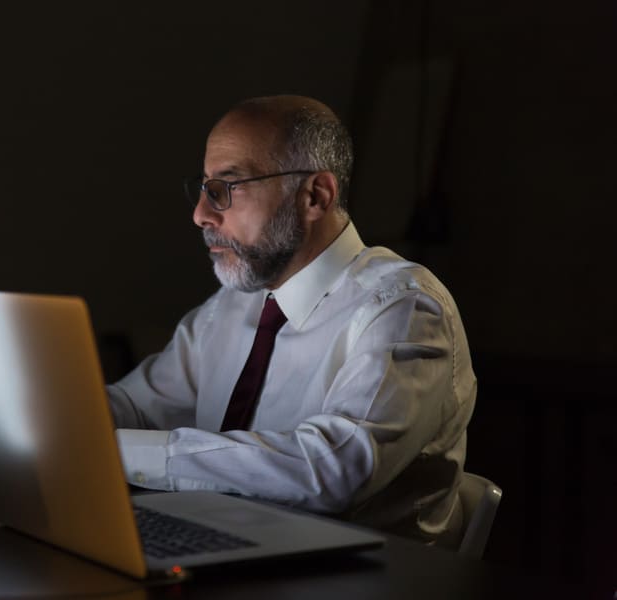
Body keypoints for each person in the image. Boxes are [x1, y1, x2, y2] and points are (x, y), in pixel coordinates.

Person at [105, 95, 476, 546]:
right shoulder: (232, 304)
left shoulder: (404, 308)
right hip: (232, 557)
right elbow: (140, 407)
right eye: (203, 187)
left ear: (315, 196)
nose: (201, 214)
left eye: (227, 186)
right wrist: (43, 429)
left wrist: (105, 452)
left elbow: (332, 470)